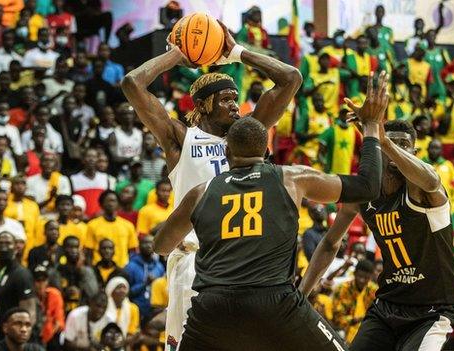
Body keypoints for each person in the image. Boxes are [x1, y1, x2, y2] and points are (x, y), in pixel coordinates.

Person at [153, 71, 386, 350]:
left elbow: (161, 244)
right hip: (273, 300)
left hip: (211, 303)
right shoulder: (291, 179)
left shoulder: (201, 193)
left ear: (227, 155)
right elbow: (368, 186)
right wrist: (371, 126)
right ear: (266, 150)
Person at [121, 20, 302, 349]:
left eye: (237, 98)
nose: (236, 106)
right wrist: (176, 55)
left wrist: (236, 52)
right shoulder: (180, 138)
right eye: (226, 99)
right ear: (202, 104)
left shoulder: (248, 137)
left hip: (244, 261)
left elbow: (291, 78)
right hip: (195, 261)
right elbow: (133, 83)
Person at [301, 115, 454, 349]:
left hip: (432, 308)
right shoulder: (366, 193)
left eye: (404, 144)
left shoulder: (424, 191)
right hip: (389, 303)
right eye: (391, 142)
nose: (397, 148)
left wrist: (384, 141)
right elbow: (329, 243)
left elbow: (430, 181)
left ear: (415, 152)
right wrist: (301, 295)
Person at [0, 232, 36, 339]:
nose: (4, 246)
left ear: (16, 248)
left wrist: (21, 340)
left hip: (13, 339)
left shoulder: (21, 274)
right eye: (0, 243)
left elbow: (30, 313)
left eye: (8, 243)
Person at [85, 190, 137, 268]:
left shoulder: (128, 225)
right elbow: (89, 252)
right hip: (99, 269)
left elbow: (132, 251)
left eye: (113, 201)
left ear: (118, 204)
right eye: (107, 201)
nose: (111, 204)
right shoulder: (92, 225)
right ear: (101, 204)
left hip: (122, 268)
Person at [332, 260, 377, 344]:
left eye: (366, 278)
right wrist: (354, 320)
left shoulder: (374, 291)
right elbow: (337, 317)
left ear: (370, 277)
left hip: (366, 330)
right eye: (360, 276)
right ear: (355, 273)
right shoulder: (342, 289)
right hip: (344, 329)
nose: (362, 280)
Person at [124, 235, 165, 320]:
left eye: (151, 243)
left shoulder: (159, 267)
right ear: (139, 246)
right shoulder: (130, 267)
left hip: (156, 311)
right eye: (145, 243)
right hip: (137, 310)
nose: (148, 245)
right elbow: (127, 293)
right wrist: (145, 283)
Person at [33, 265, 64, 347]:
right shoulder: (30, 297)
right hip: (34, 335)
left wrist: (48, 334)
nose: (41, 284)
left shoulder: (55, 294)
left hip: (51, 335)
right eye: (38, 280)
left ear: (47, 281)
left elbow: (59, 321)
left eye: (44, 280)